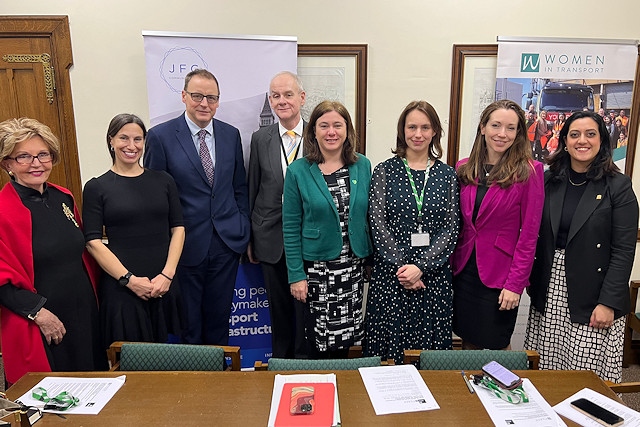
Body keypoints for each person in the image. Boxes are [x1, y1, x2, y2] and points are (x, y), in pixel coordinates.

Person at [525, 111, 638, 383]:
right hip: (551, 288)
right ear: (564, 141)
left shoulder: (618, 186)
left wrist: (608, 303)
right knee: (547, 368)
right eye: (574, 135)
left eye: (590, 134)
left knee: (584, 375)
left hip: (594, 292)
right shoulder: (549, 180)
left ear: (602, 141)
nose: (582, 141)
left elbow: (624, 251)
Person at [144, 69, 250, 345]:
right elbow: (155, 197)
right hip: (186, 246)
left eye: (211, 97)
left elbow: (239, 187)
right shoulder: (160, 137)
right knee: (189, 325)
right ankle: (195, 385)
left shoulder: (231, 134)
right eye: (197, 96)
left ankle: (220, 384)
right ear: (184, 96)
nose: (204, 103)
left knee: (220, 322)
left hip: (226, 244)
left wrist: (242, 227)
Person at [0, 117, 107, 384]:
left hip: (84, 315)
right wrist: (40, 313)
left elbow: (81, 255)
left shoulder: (64, 197)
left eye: (42, 155)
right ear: (7, 164)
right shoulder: (3, 211)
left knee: (94, 392)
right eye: (23, 156)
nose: (36, 164)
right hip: (42, 324)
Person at [364, 101, 460, 363]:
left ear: (435, 132)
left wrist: (421, 267)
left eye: (425, 127)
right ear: (402, 130)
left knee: (428, 360)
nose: (418, 134)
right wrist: (405, 268)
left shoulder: (447, 175)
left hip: (433, 281)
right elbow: (376, 223)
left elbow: (451, 228)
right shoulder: (384, 171)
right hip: (391, 278)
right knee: (388, 358)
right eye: (412, 127)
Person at [83, 114, 185, 348]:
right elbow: (93, 242)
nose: (131, 146)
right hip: (123, 290)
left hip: (164, 285)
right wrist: (129, 280)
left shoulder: (164, 180)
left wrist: (167, 276)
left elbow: (178, 228)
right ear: (111, 141)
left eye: (138, 139)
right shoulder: (96, 187)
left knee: (171, 364)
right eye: (124, 138)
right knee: (130, 365)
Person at [451, 99, 544, 350]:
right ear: (483, 127)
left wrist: (515, 285)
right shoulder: (464, 167)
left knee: (497, 346)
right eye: (496, 125)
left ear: (519, 133)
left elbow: (529, 236)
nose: (502, 134)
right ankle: (468, 390)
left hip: (500, 275)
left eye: (511, 128)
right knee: (467, 343)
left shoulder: (530, 171)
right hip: (464, 270)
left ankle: (504, 391)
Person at [283, 100, 372, 358]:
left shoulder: (362, 166)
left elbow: (369, 217)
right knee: (315, 340)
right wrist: (296, 276)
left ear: (347, 130)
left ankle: (339, 388)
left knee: (345, 339)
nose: (331, 132)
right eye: (324, 126)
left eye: (337, 125)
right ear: (313, 131)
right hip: (317, 272)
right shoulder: (298, 171)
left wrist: (370, 258)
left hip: (351, 269)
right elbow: (289, 227)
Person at [248, 71, 307, 358]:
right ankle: (281, 365)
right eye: (275, 96)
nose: (281, 101)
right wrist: (250, 239)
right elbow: (253, 188)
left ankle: (305, 364)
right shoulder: (260, 138)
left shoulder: (320, 136)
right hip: (269, 238)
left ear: (302, 98)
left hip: (308, 239)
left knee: (306, 311)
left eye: (288, 94)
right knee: (278, 310)